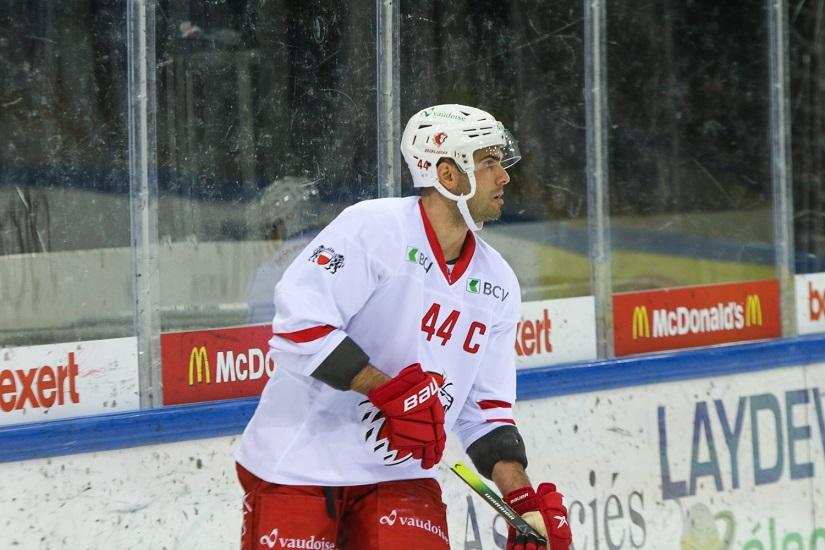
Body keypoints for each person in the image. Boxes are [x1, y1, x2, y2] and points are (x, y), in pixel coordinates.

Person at [235, 104, 572, 550]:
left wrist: (522, 500)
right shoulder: (373, 229)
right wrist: (385, 389)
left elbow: (486, 411)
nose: (504, 176)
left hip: (402, 474)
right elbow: (300, 326)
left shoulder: (499, 283)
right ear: (448, 175)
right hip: (300, 464)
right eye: (489, 162)